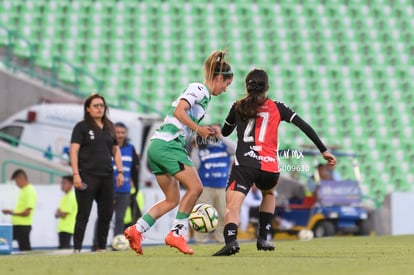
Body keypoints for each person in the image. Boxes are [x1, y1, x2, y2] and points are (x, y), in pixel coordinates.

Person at [213, 69, 336, 256]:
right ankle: (264, 238)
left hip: (245, 164)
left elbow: (226, 132)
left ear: (246, 86)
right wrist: (323, 150)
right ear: (267, 87)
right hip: (270, 167)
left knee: (233, 204)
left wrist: (231, 123)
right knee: (268, 193)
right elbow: (304, 126)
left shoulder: (237, 106)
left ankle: (231, 241)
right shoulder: (278, 107)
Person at [124, 50, 233, 255]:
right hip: (168, 145)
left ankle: (137, 229)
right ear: (219, 78)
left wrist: (199, 135)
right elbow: (178, 111)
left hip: (158, 146)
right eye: (226, 84)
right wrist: (199, 129)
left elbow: (182, 122)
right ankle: (177, 233)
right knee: (196, 188)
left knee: (172, 199)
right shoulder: (198, 88)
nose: (226, 89)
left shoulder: (204, 97)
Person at [70, 93, 124, 253]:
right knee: (83, 214)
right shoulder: (81, 127)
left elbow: (116, 150)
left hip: (107, 176)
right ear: (88, 108)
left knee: (106, 214)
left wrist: (120, 171)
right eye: (96, 105)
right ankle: (77, 249)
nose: (100, 108)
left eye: (102, 105)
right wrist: (75, 174)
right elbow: (74, 151)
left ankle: (101, 248)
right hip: (86, 175)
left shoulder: (109, 126)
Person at [91, 122, 140, 251]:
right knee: (104, 216)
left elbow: (135, 169)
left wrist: (136, 187)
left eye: (122, 133)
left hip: (124, 190)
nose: (120, 135)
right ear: (113, 133)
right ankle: (97, 244)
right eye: (117, 132)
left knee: (120, 219)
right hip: (108, 189)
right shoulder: (107, 147)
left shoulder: (131, 148)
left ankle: (116, 244)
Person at [190, 124, 236, 243]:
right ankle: (200, 242)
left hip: (222, 187)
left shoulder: (225, 147)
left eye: (215, 130)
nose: (213, 133)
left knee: (223, 215)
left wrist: (221, 136)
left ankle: (221, 241)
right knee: (202, 215)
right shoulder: (202, 148)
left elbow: (236, 148)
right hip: (205, 187)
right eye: (211, 130)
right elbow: (194, 165)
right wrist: (195, 147)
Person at [1, 169, 37, 251]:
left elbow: (27, 212)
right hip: (18, 225)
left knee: (25, 248)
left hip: (23, 225)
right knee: (23, 247)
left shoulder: (29, 190)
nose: (16, 184)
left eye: (16, 181)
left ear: (20, 178)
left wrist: (11, 212)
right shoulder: (24, 190)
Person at [55, 175, 77, 249]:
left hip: (68, 229)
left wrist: (59, 212)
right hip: (63, 228)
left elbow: (63, 214)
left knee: (65, 250)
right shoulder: (65, 196)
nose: (62, 185)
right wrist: (59, 212)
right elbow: (57, 213)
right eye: (61, 183)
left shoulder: (71, 196)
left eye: (64, 183)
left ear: (71, 184)